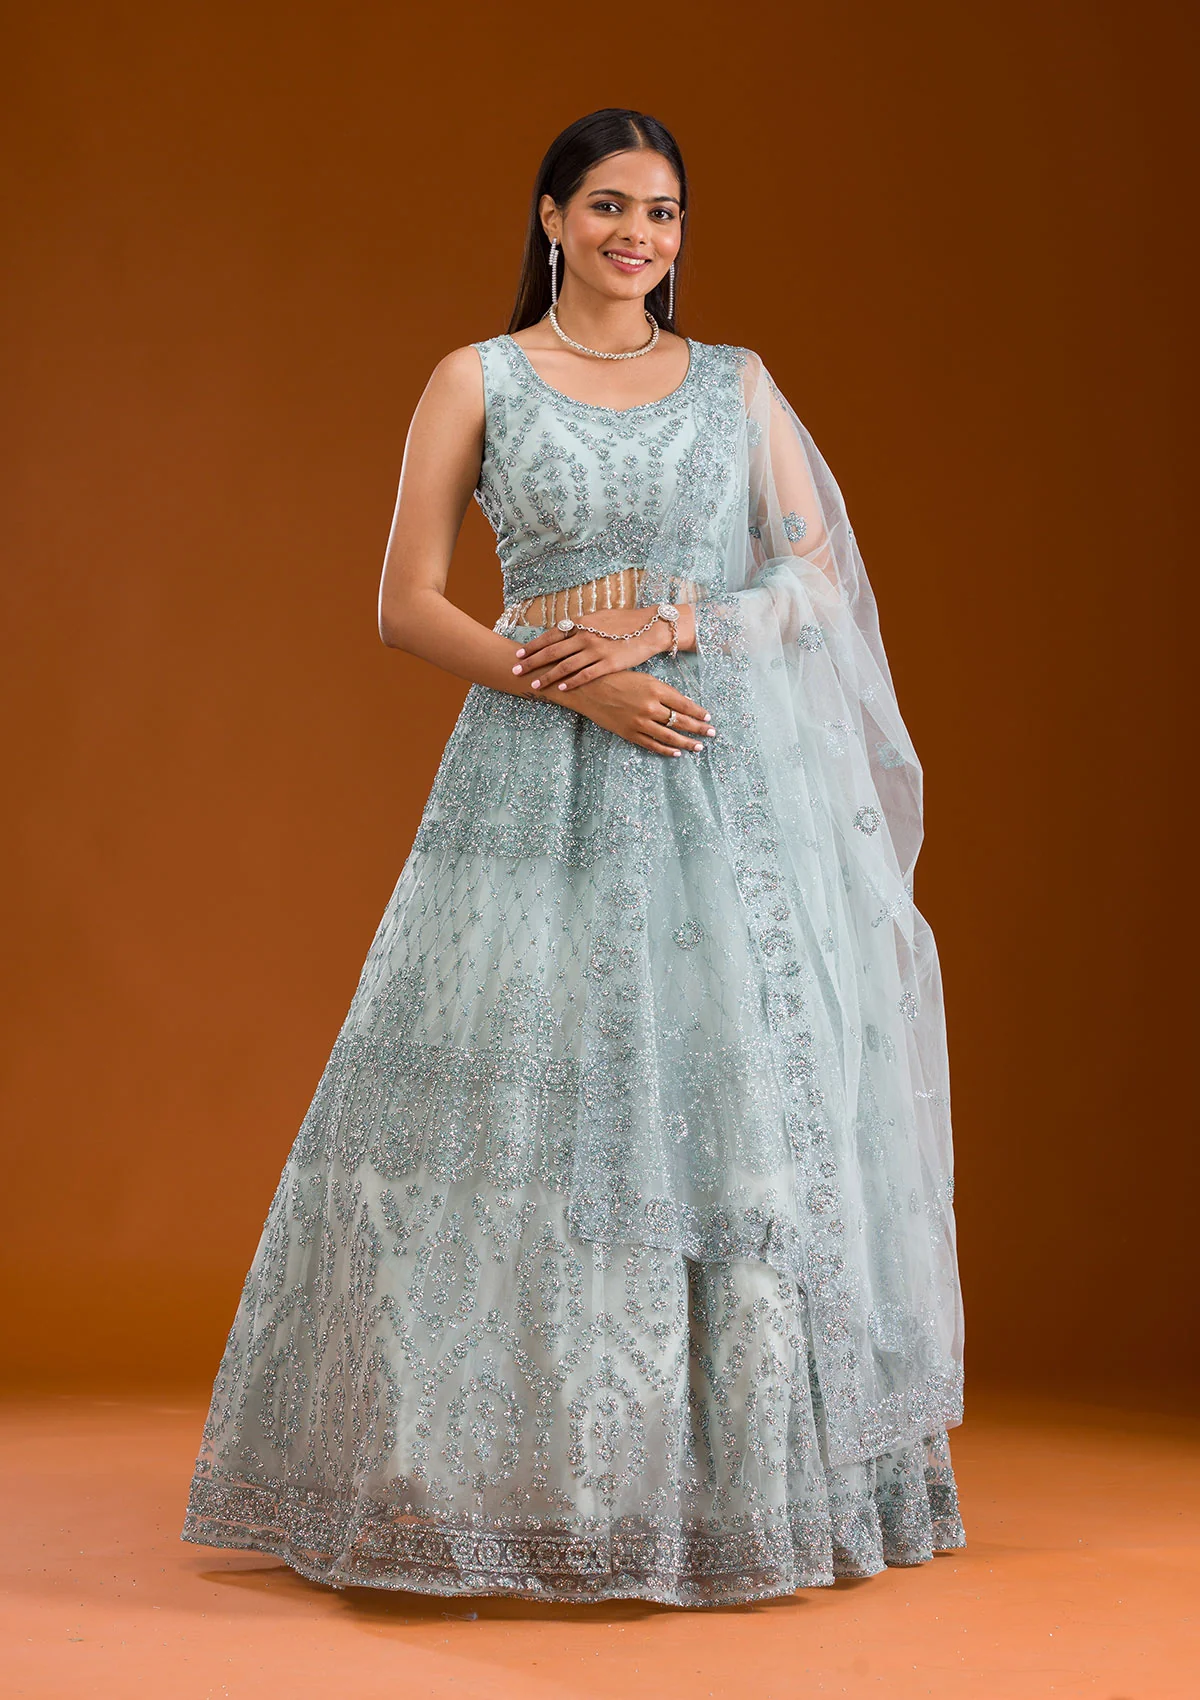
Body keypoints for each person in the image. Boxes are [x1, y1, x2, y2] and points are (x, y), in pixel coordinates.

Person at [181, 107, 966, 1608]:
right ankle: (494, 1476)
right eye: (608, 206)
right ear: (550, 217)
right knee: (518, 1100)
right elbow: (407, 602)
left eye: (662, 214)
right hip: (532, 772)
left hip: (713, 774)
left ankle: (727, 1490)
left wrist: (677, 626)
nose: (637, 237)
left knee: (723, 1107)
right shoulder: (475, 379)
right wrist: (570, 682)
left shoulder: (737, 386)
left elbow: (812, 575)